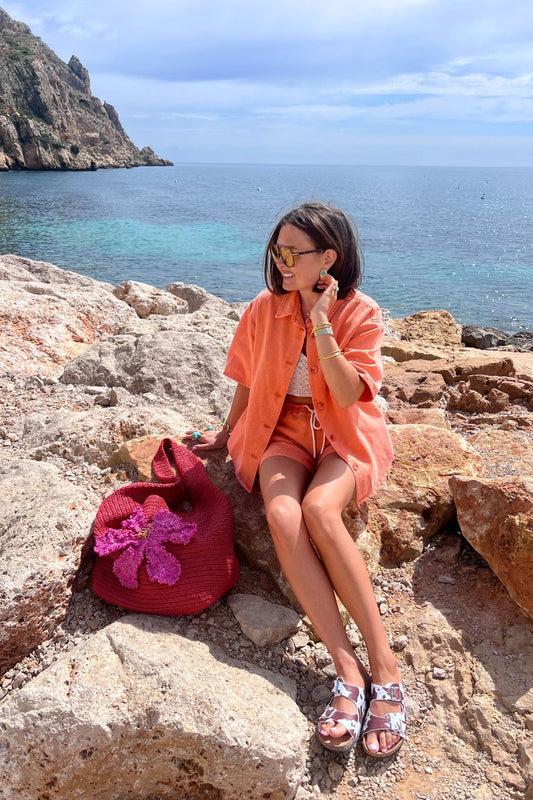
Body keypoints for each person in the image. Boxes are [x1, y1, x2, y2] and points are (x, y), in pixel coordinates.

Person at [183, 202, 406, 757]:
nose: (280, 261)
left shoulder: (362, 313)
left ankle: (384, 663)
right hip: (280, 429)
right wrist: (226, 432)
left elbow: (349, 394)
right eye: (276, 250)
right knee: (284, 514)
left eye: (292, 253)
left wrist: (321, 320)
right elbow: (246, 378)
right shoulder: (264, 308)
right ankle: (347, 668)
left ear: (328, 257)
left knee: (320, 511)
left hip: (341, 433)